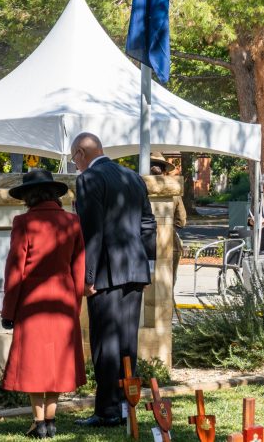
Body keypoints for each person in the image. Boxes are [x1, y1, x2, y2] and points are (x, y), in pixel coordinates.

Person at [70, 133, 156, 429]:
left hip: (105, 274)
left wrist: (87, 277)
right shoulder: (133, 178)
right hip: (135, 270)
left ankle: (107, 411)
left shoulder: (88, 179)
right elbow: (148, 224)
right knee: (126, 343)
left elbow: (90, 233)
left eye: (74, 159)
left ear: (81, 152)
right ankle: (125, 405)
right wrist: (148, 265)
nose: (75, 166)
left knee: (105, 345)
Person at [1, 169, 86, 439]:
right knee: (56, 360)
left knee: (35, 361)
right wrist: (75, 304)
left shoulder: (23, 222)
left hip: (32, 301)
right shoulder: (72, 222)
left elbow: (15, 270)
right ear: (53, 193)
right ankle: (51, 418)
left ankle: (39, 422)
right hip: (63, 299)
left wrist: (8, 310)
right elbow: (79, 268)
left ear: (28, 196)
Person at [149, 153, 186, 286]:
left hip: (145, 245)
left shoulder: (138, 190)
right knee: (168, 284)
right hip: (170, 244)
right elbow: (182, 221)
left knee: (147, 286)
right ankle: (171, 307)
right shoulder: (173, 193)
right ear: (164, 172)